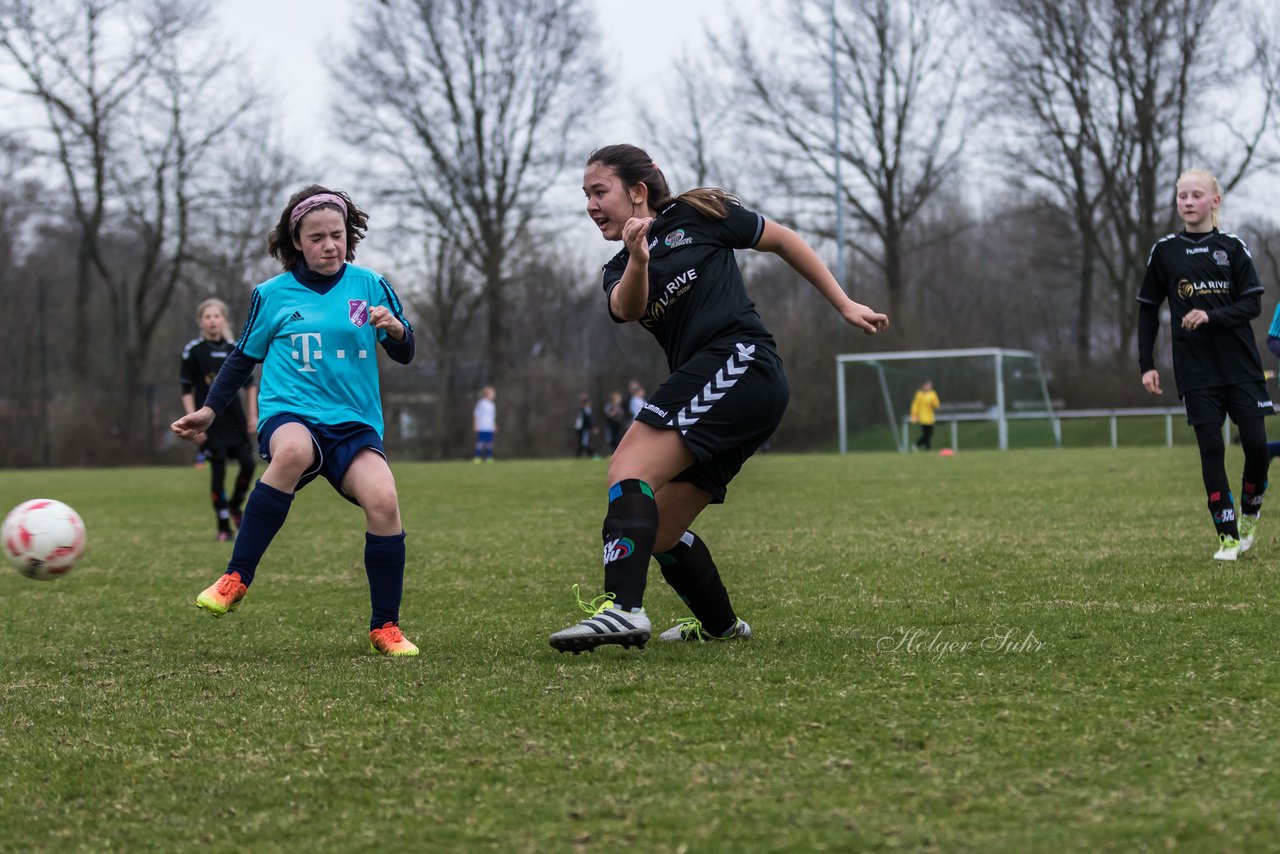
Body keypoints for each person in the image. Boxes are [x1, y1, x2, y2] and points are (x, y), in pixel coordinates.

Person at [549, 144, 887, 653]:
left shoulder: (699, 215)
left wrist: (843, 303)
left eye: (600, 192)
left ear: (637, 191)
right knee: (659, 530)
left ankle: (622, 609)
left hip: (743, 362)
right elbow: (627, 305)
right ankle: (721, 627)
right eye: (586, 195)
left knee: (627, 470)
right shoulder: (618, 266)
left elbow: (783, 240)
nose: (591, 205)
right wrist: (640, 259)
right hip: (735, 386)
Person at [171, 185, 420, 655]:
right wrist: (207, 410)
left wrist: (397, 330)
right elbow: (241, 361)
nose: (330, 245)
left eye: (337, 235)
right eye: (317, 237)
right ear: (296, 242)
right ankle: (236, 577)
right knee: (292, 450)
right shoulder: (272, 295)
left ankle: (385, 626)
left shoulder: (371, 285)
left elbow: (406, 352)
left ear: (349, 235)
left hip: (353, 423)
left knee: (385, 501)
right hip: (292, 412)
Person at [1138, 168, 1271, 562]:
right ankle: (1227, 536)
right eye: (1182, 196)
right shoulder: (1165, 252)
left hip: (1242, 366)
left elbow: (1253, 304)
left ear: (1215, 201)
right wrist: (1146, 364)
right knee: (1211, 448)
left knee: (1257, 449)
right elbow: (1147, 310)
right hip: (1196, 371)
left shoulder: (1232, 247)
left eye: (1196, 195)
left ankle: (1250, 514)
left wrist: (1212, 316)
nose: (1188, 202)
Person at [180, 298, 258, 542]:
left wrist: (253, 415)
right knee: (219, 470)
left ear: (224, 320)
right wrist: (193, 422)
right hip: (210, 422)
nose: (213, 320)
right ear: (200, 322)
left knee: (248, 464)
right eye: (208, 317)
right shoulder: (194, 351)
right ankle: (223, 525)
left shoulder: (236, 348)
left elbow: (250, 386)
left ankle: (235, 505)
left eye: (217, 316)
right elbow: (186, 389)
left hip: (235, 418)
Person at [908, 379, 940, 451]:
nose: (929, 387)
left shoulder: (933, 394)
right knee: (926, 435)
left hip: (930, 418)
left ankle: (917, 446)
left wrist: (934, 403)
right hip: (922, 418)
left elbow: (937, 405)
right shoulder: (919, 394)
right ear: (923, 386)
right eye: (927, 385)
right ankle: (926, 448)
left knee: (928, 435)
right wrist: (914, 416)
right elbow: (915, 406)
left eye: (930, 385)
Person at [473, 386, 497, 462]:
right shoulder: (481, 403)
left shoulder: (492, 405)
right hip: (482, 426)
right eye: (493, 394)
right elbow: (476, 415)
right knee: (481, 442)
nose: (494, 395)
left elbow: (493, 417)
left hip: (489, 427)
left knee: (489, 443)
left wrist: (494, 425)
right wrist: (475, 425)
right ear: (487, 394)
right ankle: (477, 457)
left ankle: (489, 457)